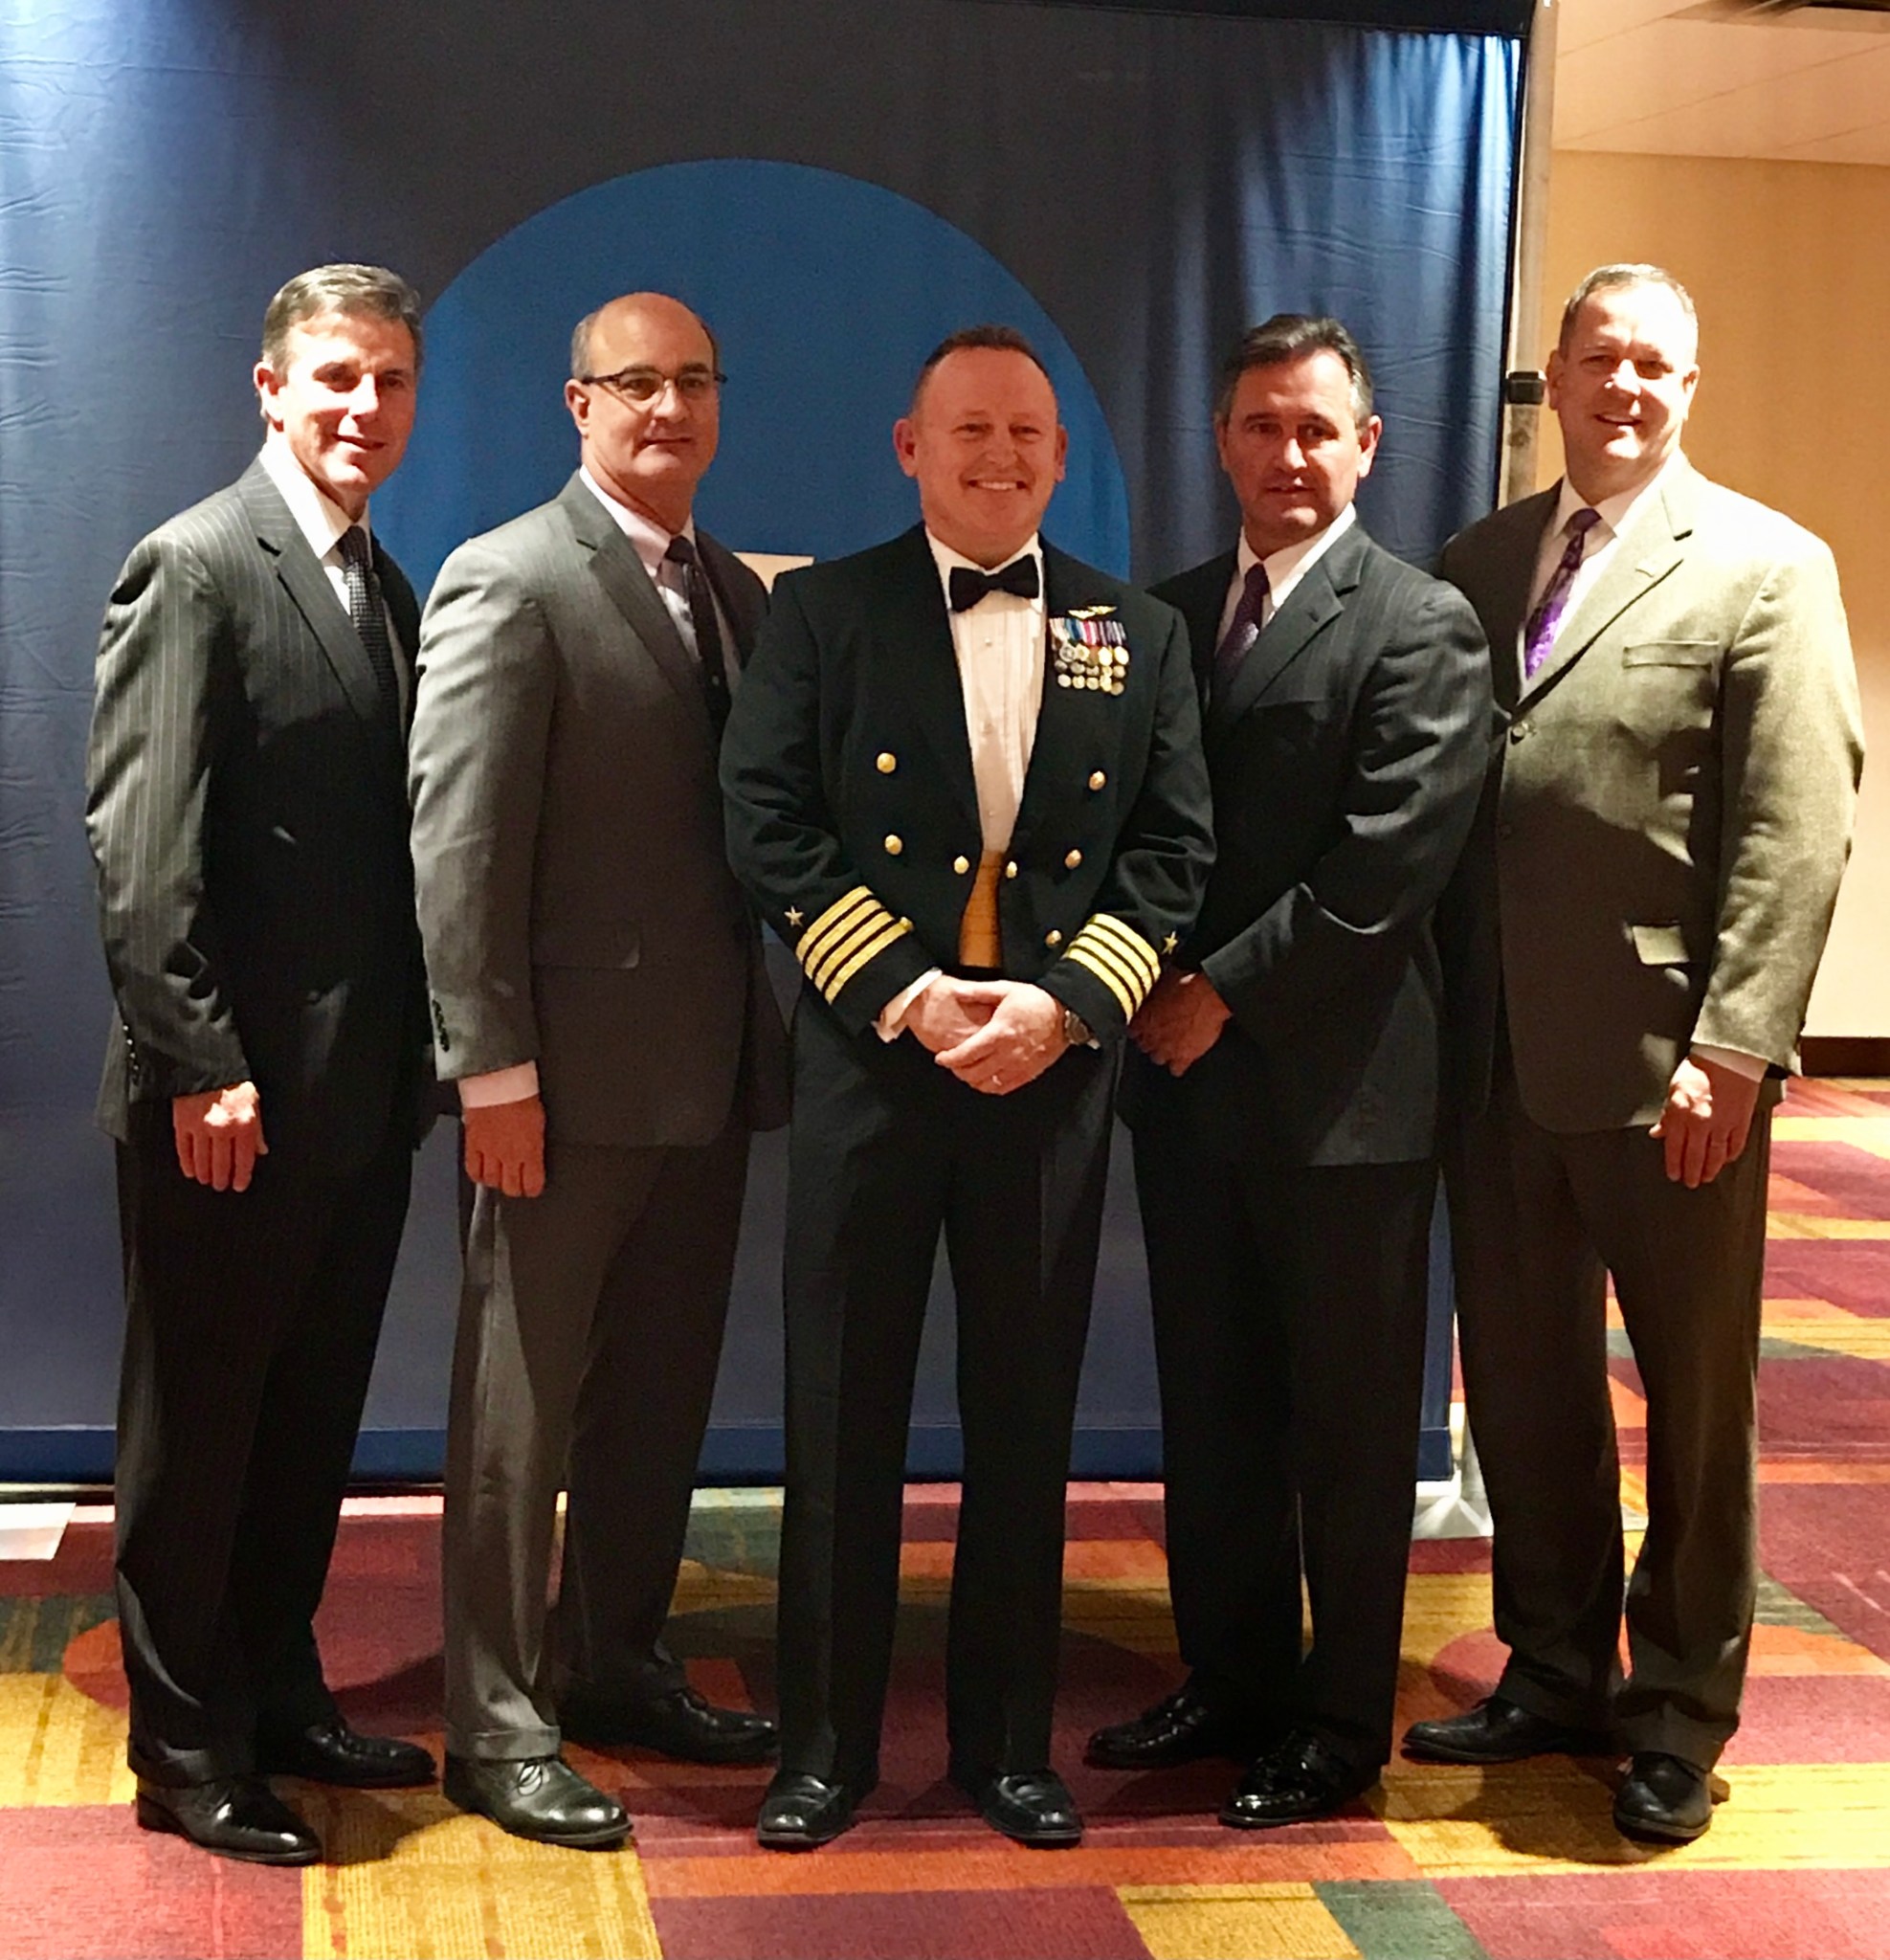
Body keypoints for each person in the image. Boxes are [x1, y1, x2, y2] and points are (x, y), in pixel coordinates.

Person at [722, 324, 1213, 1853]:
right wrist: (909, 992)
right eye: (969, 431)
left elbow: (1175, 848)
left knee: (1024, 1418)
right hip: (877, 1063)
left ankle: (1009, 1748)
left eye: (1026, 434)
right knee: (843, 1416)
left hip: (1048, 1077)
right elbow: (767, 816)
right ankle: (823, 1748)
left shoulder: (1137, 631)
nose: (1000, 456)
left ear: (1060, 459)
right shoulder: (825, 612)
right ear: (908, 448)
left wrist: (1069, 1010)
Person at [1402, 264, 1862, 1844]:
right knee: (1526, 1395)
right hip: (1494, 1063)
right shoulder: (1476, 561)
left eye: (1657, 365)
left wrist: (1736, 1046)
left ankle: (1677, 1710)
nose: (1626, 386)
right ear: (1556, 368)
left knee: (1695, 1403)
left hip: (1673, 1070)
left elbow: (1797, 831)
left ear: (1690, 386)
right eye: (1602, 356)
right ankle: (1553, 1667)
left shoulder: (1764, 567)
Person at [1083, 315, 1490, 1824]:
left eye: (1319, 428)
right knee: (1216, 1407)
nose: (1290, 454)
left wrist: (1217, 998)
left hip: (1346, 1105)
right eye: (1263, 425)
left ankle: (1335, 1722)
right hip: (1190, 1099)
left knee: (1347, 1428)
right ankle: (1232, 1675)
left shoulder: (1421, 624)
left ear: (1367, 447)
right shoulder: (1168, 618)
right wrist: (1128, 980)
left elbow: (1383, 875)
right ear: (1223, 440)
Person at [408, 292, 789, 1850]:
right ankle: (495, 1726)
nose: (669, 410)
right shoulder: (509, 578)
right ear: (579, 404)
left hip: (704, 1086)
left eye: (696, 382)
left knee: (654, 1403)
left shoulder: (735, 590)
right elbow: (458, 841)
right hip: (550, 1097)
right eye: (637, 384)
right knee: (521, 1417)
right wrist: (489, 1071)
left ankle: (617, 1662)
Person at [85, 264, 436, 1866]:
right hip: (220, 1102)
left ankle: (280, 1692)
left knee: (308, 1426)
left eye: (389, 383)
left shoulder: (390, 581)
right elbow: (140, 848)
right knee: (199, 1431)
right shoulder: (201, 563)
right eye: (337, 379)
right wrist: (197, 1061)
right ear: (271, 387)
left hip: (355, 1104)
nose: (363, 407)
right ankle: (183, 1745)